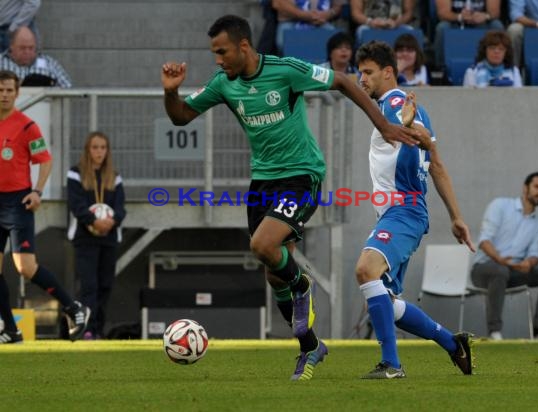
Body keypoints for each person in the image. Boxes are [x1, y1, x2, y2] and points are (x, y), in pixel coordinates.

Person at [161, 14, 422, 381]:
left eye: (222, 52)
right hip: (262, 183)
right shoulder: (224, 83)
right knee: (273, 273)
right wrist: (171, 92)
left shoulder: (285, 71)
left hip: (302, 175)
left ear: (244, 46)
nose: (218, 60)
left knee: (263, 245)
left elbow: (343, 81)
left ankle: (303, 285)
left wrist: (383, 124)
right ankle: (310, 346)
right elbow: (182, 117)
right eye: (214, 53)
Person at [354, 40, 475, 379]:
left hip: (402, 210)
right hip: (403, 212)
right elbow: (436, 165)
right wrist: (456, 217)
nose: (361, 79)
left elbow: (419, 136)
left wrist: (409, 126)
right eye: (359, 72)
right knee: (386, 303)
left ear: (388, 72)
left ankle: (392, 365)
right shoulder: (411, 108)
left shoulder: (394, 103)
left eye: (367, 72)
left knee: (366, 270)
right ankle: (453, 344)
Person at [0, 70, 89, 344]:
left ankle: (73, 308)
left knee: (25, 267)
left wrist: (37, 191)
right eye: (0, 90)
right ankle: (11, 330)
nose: (4, 95)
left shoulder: (27, 126)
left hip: (18, 202)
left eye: (9, 91)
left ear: (17, 93)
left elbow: (45, 160)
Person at [471, 172, 538, 340]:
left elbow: (535, 254)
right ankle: (494, 331)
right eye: (537, 187)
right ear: (525, 188)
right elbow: (484, 241)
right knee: (500, 270)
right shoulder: (500, 205)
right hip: (484, 269)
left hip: (514, 271)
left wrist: (529, 263)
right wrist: (500, 259)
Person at [67, 131, 126, 340]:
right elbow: (76, 205)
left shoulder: (115, 176)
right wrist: (94, 221)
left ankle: (99, 329)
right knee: (88, 285)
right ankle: (87, 330)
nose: (99, 152)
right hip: (85, 238)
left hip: (109, 238)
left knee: (105, 285)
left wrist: (111, 221)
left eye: (103, 147)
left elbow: (120, 208)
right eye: (95, 147)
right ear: (88, 150)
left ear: (107, 151)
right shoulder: (75, 174)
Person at [434, 0, 504, 68]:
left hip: (481, 22)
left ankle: (497, 67)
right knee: (442, 27)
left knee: (496, 25)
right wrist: (460, 17)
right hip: (455, 22)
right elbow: (442, 13)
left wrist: (485, 16)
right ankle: (441, 68)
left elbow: (495, 12)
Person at [0, 26, 72, 88]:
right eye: (22, 48)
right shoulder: (1, 62)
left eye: (31, 48)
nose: (27, 52)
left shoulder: (49, 63)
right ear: (11, 46)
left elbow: (67, 87)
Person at [272, 0, 344, 54]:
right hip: (291, 20)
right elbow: (277, 3)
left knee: (336, 43)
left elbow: (337, 6)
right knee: (282, 43)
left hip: (321, 21)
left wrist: (328, 14)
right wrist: (304, 15)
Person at [350, 0, 417, 45]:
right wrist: (370, 22)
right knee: (361, 31)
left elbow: (409, 12)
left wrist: (396, 23)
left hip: (397, 24)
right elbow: (356, 13)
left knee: (410, 30)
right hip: (369, 25)